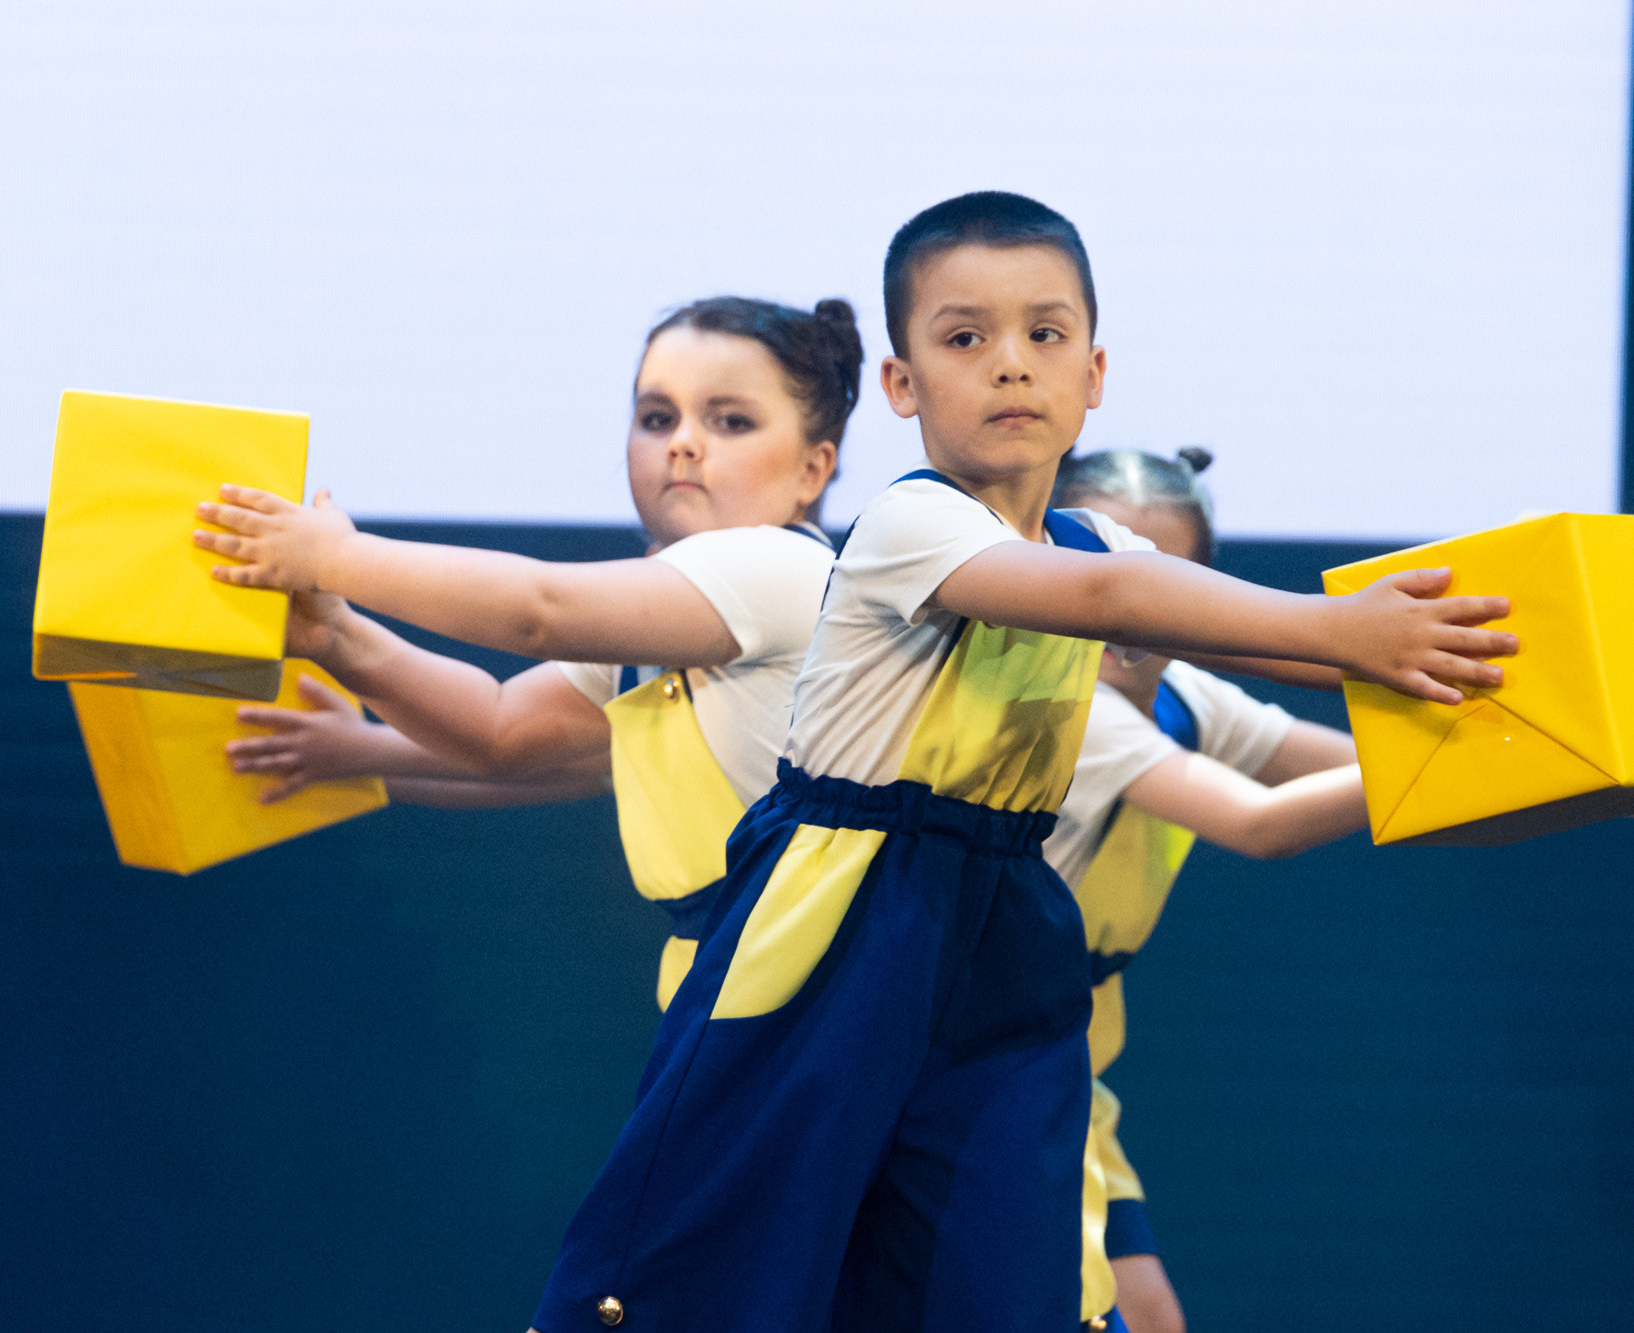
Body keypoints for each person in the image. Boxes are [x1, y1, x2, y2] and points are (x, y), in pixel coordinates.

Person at [197, 191, 1516, 1332]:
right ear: (902, 387)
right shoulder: (907, 530)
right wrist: (342, 588)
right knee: (706, 1281)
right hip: (835, 936)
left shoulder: (817, 561)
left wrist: (1471, 678)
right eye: (964, 339)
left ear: (1096, 372)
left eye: (1043, 337)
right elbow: (518, 695)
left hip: (989, 934)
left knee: (988, 1280)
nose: (1009, 365)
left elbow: (1169, 611)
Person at [204, 295, 861, 1010]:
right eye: (657, 417)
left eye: (730, 420)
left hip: (820, 991)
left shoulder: (781, 571)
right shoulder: (661, 622)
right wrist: (335, 635)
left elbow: (537, 611)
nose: (683, 442)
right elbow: (500, 730)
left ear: (812, 469)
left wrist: (336, 556)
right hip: (733, 989)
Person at [1049, 446, 1365, 1333]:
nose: (1130, 610)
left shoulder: (1188, 693)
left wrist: (1538, 756)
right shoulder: (1064, 706)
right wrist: (1447, 770)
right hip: (964, 1066)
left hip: (1062, 1070)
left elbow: (1356, 765)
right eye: (1096, 575)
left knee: (1149, 1317)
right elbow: (1262, 822)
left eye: (1166, 581)